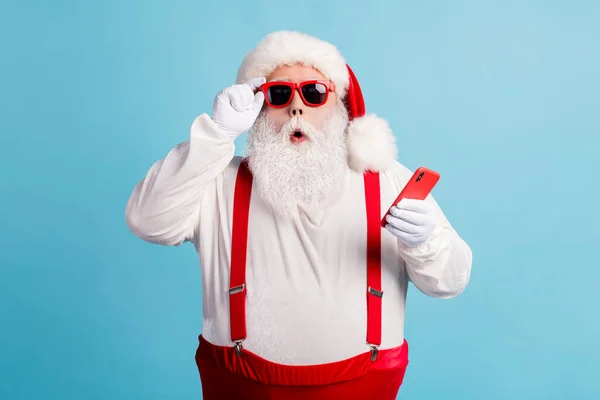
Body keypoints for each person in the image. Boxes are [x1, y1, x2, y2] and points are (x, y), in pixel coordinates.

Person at [125, 30, 473, 400]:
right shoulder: (216, 181)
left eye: (313, 93)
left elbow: (450, 282)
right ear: (259, 106)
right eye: (279, 94)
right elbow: (147, 221)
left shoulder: (386, 178)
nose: (297, 108)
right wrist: (216, 134)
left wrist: (427, 241)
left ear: (338, 103)